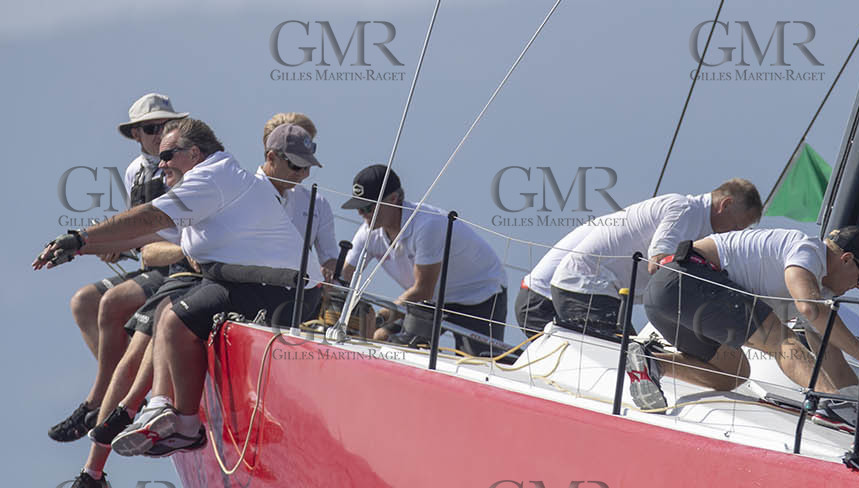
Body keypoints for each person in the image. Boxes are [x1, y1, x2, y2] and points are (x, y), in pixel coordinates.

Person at [34, 117, 308, 465]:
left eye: (168, 155)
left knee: (176, 318)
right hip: (248, 280)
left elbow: (150, 217)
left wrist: (80, 236)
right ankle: (157, 408)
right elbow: (147, 236)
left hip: (278, 288)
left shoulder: (211, 177)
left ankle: (184, 424)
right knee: (167, 314)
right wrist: (76, 249)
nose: (160, 163)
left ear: (194, 153)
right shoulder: (208, 180)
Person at [635, 225, 859, 410]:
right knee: (780, 340)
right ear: (846, 259)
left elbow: (828, 349)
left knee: (733, 374)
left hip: (665, 297)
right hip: (687, 280)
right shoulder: (807, 250)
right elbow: (809, 308)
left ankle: (652, 362)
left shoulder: (817, 289)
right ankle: (828, 405)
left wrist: (856, 412)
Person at [48, 93, 190, 443]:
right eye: (152, 128)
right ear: (136, 135)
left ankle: (99, 401)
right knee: (83, 301)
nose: (161, 133)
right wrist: (104, 247)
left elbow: (174, 231)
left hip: (179, 263)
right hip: (149, 261)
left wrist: (97, 242)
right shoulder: (134, 171)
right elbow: (137, 230)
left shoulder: (183, 166)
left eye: (168, 126)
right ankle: (118, 392)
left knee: (111, 303)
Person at [544, 179, 764, 339]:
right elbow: (658, 261)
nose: (731, 234)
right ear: (725, 205)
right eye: (736, 226)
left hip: (600, 290)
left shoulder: (699, 225)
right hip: (586, 286)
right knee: (623, 360)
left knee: (630, 358)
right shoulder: (684, 210)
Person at [341, 165, 506, 356]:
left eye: (367, 208)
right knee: (380, 338)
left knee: (476, 365)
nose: (361, 214)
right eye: (358, 208)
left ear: (393, 199)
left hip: (479, 296)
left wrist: (378, 318)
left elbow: (423, 290)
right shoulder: (367, 231)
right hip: (430, 302)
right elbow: (345, 276)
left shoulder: (427, 226)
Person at [259, 113, 339, 281]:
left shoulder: (316, 203)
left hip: (295, 294)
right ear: (271, 156)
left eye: (307, 164)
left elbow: (330, 259)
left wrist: (329, 273)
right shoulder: (244, 189)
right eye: (296, 163)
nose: (304, 174)